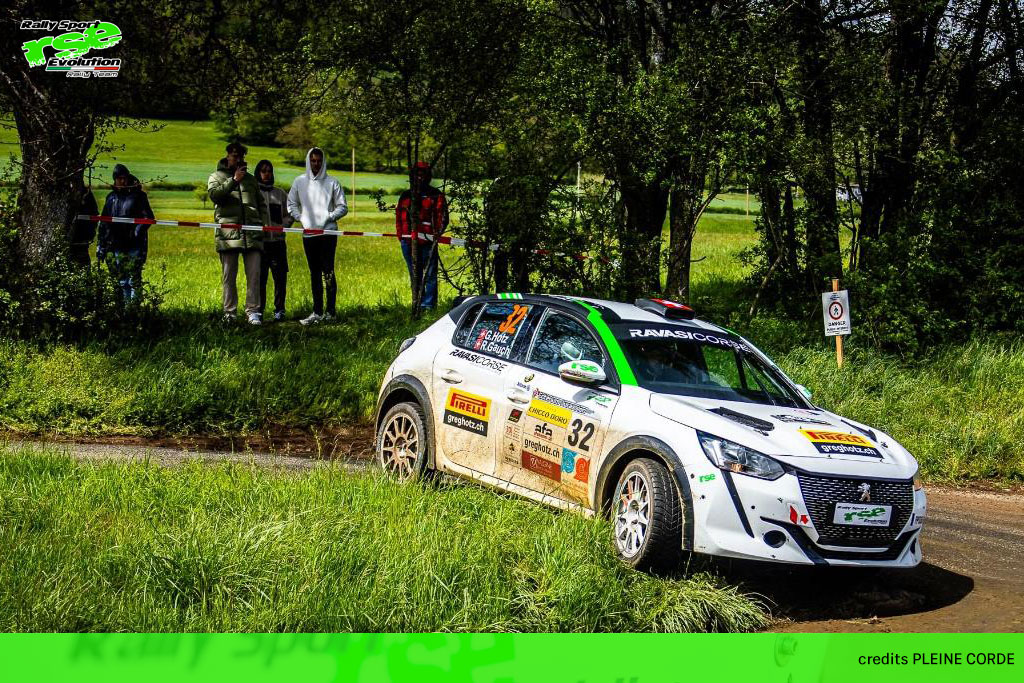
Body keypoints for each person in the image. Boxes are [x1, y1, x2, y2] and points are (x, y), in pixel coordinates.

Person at [208, 142, 269, 325]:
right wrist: (234, 180)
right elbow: (215, 196)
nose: (238, 159)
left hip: (252, 233)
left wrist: (264, 225)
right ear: (227, 156)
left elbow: (261, 205)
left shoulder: (251, 180)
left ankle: (253, 311)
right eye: (235, 156)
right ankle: (230, 313)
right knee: (229, 276)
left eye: (241, 156)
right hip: (228, 235)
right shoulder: (216, 176)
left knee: (254, 275)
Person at [287, 147, 347, 325]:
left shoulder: (332, 182)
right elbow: (291, 204)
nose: (316, 164)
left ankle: (331, 312)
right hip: (309, 234)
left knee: (328, 271)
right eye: (313, 160)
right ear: (308, 161)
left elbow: (342, 207)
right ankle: (317, 312)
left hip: (328, 233)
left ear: (323, 161)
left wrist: (329, 216)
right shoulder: (299, 182)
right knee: (314, 273)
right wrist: (301, 218)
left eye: (319, 161)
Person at [396, 161, 448, 311]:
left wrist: (434, 235)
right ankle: (417, 304)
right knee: (415, 274)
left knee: (430, 274)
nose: (419, 177)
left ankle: (429, 306)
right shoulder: (406, 195)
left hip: (428, 242)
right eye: (416, 174)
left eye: (422, 174)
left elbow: (442, 218)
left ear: (428, 176)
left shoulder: (435, 195)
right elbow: (399, 217)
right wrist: (401, 236)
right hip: (408, 242)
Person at [96, 164, 154, 301]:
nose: (123, 181)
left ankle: (133, 309)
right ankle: (122, 309)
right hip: (116, 245)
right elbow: (104, 222)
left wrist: (136, 232)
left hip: (135, 245)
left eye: (125, 178)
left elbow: (148, 218)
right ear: (115, 179)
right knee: (121, 281)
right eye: (119, 178)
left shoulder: (139, 196)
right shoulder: (111, 198)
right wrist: (101, 244)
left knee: (134, 280)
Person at [254, 160, 293, 322]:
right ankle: (259, 310)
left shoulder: (280, 193)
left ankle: (279, 310)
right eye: (263, 171)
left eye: (269, 171)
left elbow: (290, 214)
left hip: (278, 243)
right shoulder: (254, 194)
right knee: (260, 278)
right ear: (258, 173)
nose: (266, 174)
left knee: (280, 278)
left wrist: (282, 226)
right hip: (260, 244)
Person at [70, 186, 98, 268]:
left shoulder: (86, 193)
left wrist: (89, 234)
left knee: (83, 264)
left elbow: (94, 214)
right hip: (69, 237)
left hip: (81, 238)